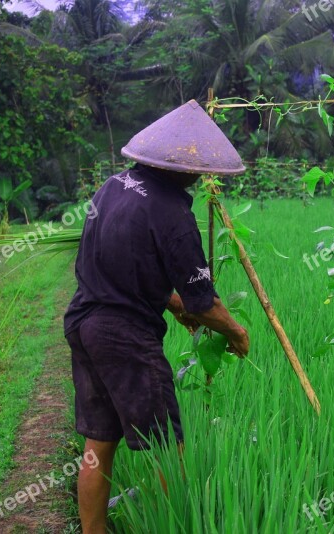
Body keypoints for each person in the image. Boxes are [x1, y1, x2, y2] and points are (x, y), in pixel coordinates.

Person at [63, 100, 250, 534]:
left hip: (82, 322)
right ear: (184, 169)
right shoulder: (174, 216)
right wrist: (236, 331)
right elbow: (204, 302)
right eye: (201, 169)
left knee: (98, 444)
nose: (204, 176)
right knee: (169, 446)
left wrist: (170, 302)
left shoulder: (112, 187)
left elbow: (122, 261)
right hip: (123, 338)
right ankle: (172, 525)